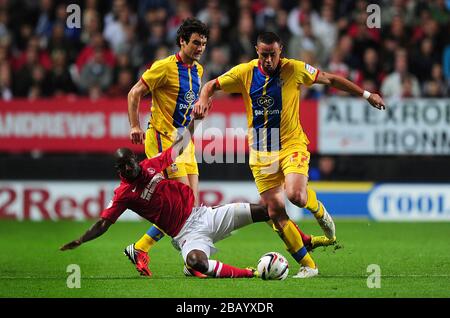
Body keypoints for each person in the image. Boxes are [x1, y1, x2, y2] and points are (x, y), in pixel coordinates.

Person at [193, 32, 386, 278]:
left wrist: (367, 95)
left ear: (280, 50)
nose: (268, 60)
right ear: (257, 51)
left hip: (291, 144)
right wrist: (202, 100)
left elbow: (330, 79)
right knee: (274, 212)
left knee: (295, 195)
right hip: (261, 151)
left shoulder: (294, 69)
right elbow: (211, 85)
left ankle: (318, 210)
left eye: (273, 54)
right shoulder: (244, 73)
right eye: (264, 55)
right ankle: (309, 266)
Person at [59, 119, 321, 279]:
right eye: (124, 167)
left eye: (130, 162)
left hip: (204, 215)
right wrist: (81, 239)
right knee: (196, 262)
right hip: (185, 235)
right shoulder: (122, 195)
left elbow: (178, 148)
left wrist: (195, 122)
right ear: (119, 172)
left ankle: (302, 245)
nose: (130, 168)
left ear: (135, 160)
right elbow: (104, 224)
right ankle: (252, 272)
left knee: (269, 209)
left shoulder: (151, 165)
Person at [124, 18, 209, 276]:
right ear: (182, 41)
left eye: (203, 43)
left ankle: (146, 249)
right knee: (181, 204)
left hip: (186, 140)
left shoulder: (199, 70)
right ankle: (147, 249)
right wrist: (134, 126)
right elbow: (134, 92)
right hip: (164, 139)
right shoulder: (163, 67)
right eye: (195, 42)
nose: (200, 48)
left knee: (191, 207)